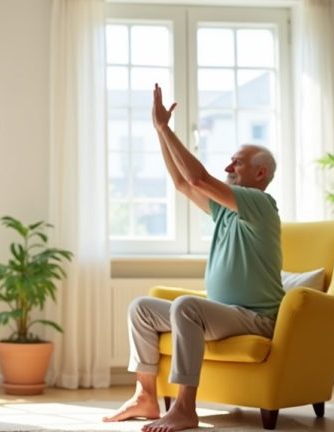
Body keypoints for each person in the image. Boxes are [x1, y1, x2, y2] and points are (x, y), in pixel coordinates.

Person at [103, 84, 284, 432]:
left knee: (186, 305)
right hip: (224, 314)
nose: (229, 165)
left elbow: (198, 177)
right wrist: (159, 131)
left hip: (254, 317)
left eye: (238, 161)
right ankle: (145, 396)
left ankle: (186, 408)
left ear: (260, 174)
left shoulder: (262, 205)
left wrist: (168, 128)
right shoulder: (226, 213)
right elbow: (185, 185)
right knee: (141, 307)